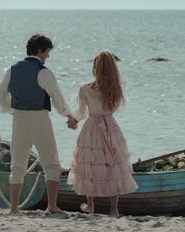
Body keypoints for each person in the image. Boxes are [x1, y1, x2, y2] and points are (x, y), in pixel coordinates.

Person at [0, 34, 73, 216]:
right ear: (39, 50)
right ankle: (52, 206)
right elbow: (58, 99)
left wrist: (10, 110)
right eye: (47, 52)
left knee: (17, 164)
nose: (48, 56)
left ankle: (14, 208)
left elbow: (0, 95)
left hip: (19, 120)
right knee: (51, 164)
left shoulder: (11, 69)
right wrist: (70, 116)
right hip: (40, 119)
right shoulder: (44, 72)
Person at [67, 51, 138, 217]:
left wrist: (73, 121)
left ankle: (90, 205)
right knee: (113, 164)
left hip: (91, 127)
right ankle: (113, 208)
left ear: (95, 68)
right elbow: (113, 109)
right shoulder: (116, 89)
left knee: (89, 164)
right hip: (110, 126)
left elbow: (81, 112)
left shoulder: (85, 89)